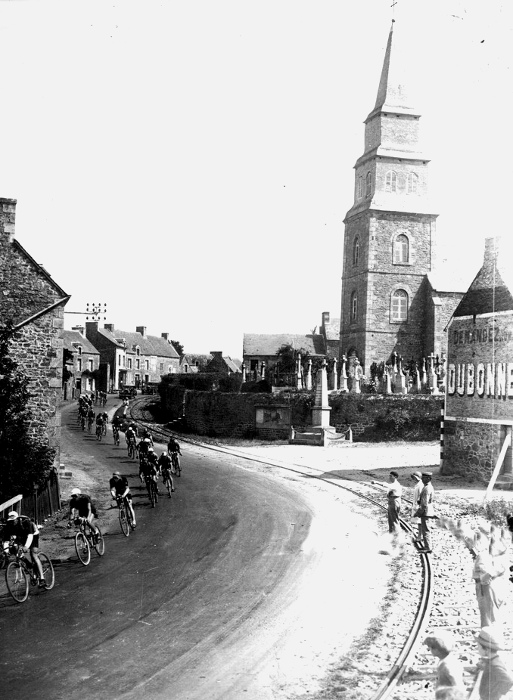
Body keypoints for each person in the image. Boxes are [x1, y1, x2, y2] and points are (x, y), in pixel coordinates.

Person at [2, 511, 45, 586]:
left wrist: (26, 546)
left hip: (33, 535)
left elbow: (30, 536)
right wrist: (6, 551)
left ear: (17, 519)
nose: (12, 522)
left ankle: (42, 578)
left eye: (13, 520)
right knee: (14, 549)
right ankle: (28, 564)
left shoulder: (25, 522)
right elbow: (6, 540)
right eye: (10, 521)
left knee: (34, 554)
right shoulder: (8, 526)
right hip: (21, 536)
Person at [475, 627, 513, 700]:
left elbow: (509, 681)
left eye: (479, 647)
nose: (477, 649)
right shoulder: (493, 661)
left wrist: (497, 694)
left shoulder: (495, 666)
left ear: (487, 649)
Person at [416, 471, 436, 553]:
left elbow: (424, 504)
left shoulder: (426, 488)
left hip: (425, 512)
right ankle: (427, 546)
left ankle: (427, 547)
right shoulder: (429, 486)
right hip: (428, 511)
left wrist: (418, 512)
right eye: (422, 478)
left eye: (424, 478)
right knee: (426, 529)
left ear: (429, 478)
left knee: (426, 530)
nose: (422, 479)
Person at [410, 471, 423, 543]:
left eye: (414, 477)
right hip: (416, 505)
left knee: (420, 521)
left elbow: (421, 496)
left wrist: (418, 505)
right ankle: (419, 536)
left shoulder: (420, 485)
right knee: (418, 521)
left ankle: (420, 536)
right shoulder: (417, 484)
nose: (413, 479)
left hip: (419, 506)